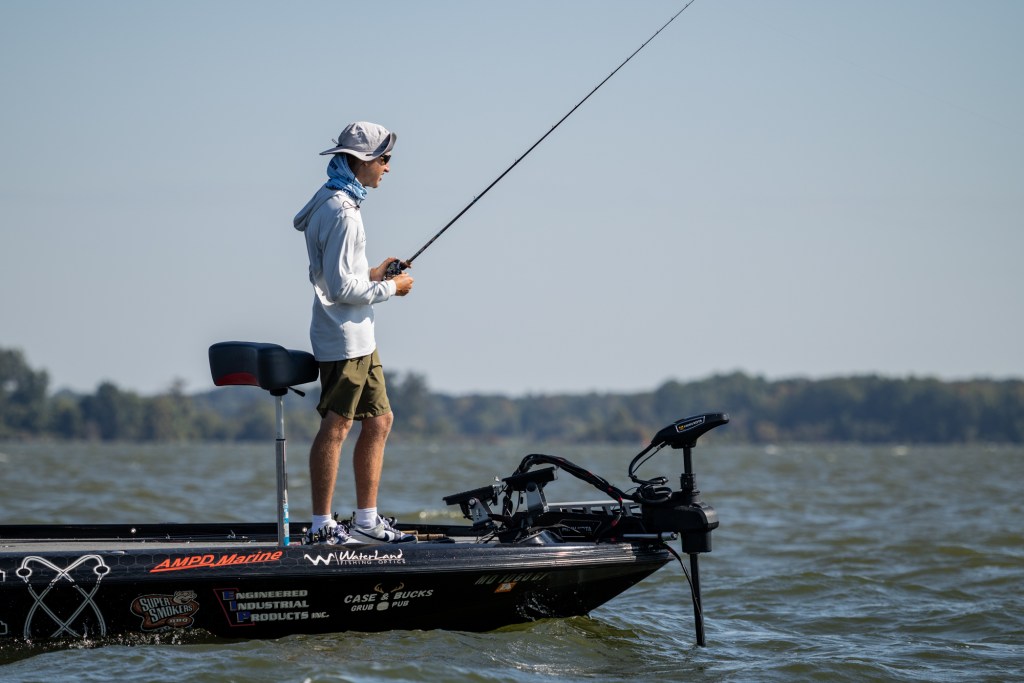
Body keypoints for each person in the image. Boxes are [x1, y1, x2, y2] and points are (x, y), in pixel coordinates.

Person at [292, 121, 415, 545]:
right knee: (337, 427)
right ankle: (322, 526)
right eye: (384, 159)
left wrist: (376, 273)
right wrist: (391, 288)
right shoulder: (343, 213)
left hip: (361, 336)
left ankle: (366, 521)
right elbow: (342, 289)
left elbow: (341, 276)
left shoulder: (336, 200)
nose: (387, 167)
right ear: (363, 161)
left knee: (379, 421)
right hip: (343, 338)